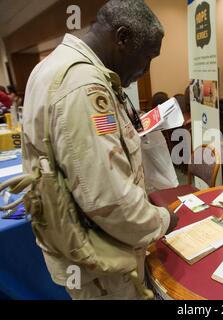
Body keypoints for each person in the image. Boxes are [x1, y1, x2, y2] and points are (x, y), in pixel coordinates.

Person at [22, 0, 178, 299]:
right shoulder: (83, 86)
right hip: (104, 266)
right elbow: (109, 199)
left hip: (82, 248)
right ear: (122, 38)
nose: (146, 70)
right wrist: (164, 220)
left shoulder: (53, 66)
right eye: (147, 57)